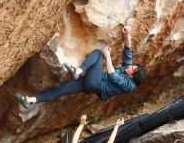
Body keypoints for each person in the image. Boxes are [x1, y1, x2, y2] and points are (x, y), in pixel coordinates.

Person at [13, 26, 146, 109]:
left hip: (96, 84)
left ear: (131, 75)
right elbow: (128, 51)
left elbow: (112, 75)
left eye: (132, 68)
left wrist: (108, 56)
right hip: (91, 84)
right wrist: (127, 35)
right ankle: (29, 100)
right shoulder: (128, 69)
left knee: (99, 53)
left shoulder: (130, 86)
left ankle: (79, 70)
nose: (130, 66)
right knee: (61, 90)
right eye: (133, 65)